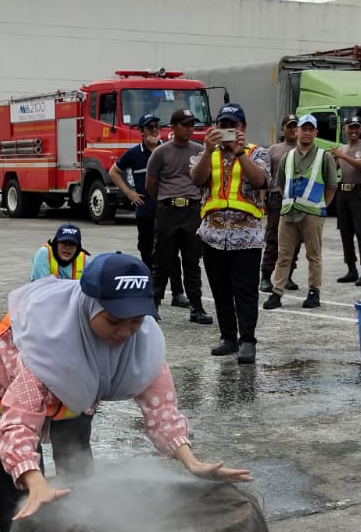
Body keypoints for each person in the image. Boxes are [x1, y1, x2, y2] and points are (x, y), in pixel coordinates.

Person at [0, 251, 251, 532]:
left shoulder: (143, 343)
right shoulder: (46, 347)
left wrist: (192, 462)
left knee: (76, 461)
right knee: (18, 488)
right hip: (7, 387)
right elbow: (18, 424)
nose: (125, 332)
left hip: (77, 393)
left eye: (136, 320)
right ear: (91, 306)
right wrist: (35, 480)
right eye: (114, 320)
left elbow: (161, 411)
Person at [191, 103, 267, 363]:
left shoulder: (257, 153)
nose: (227, 130)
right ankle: (228, 337)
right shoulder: (207, 154)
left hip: (246, 237)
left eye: (233, 126)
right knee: (220, 290)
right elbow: (196, 179)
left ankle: (247, 340)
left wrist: (240, 154)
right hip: (212, 236)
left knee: (245, 291)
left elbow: (260, 181)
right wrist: (206, 150)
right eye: (223, 125)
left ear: (243, 128)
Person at [146, 108, 212, 327]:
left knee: (192, 261)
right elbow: (151, 184)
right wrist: (166, 200)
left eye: (192, 124)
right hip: (168, 210)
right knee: (161, 260)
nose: (190, 128)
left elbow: (205, 180)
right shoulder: (161, 152)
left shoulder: (200, 150)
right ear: (173, 127)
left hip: (192, 211)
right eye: (185, 124)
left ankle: (196, 307)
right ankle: (153, 306)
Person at [264, 114, 336, 311]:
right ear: (297, 131)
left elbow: (331, 186)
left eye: (310, 129)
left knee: (313, 254)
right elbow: (279, 184)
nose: (306, 132)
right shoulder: (287, 157)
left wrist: (321, 206)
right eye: (303, 129)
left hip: (312, 213)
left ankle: (314, 292)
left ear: (315, 132)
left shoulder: (324, 156)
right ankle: (277, 292)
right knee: (283, 254)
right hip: (288, 212)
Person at [113, 113, 185, 307]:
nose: (154, 129)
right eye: (149, 127)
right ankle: (149, 292)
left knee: (172, 252)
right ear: (141, 132)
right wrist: (130, 194)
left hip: (168, 210)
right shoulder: (134, 154)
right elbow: (114, 172)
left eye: (156, 126)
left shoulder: (168, 149)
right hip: (146, 212)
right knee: (147, 252)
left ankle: (178, 293)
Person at [260, 114, 301, 292]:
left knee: (295, 240)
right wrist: (262, 197)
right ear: (283, 129)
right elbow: (265, 176)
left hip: (298, 199)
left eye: (296, 126)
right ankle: (266, 276)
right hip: (277, 198)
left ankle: (287, 276)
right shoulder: (274, 150)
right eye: (289, 126)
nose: (293, 129)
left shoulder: (305, 149)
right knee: (273, 238)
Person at [332, 117, 361, 286]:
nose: (354, 131)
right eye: (351, 127)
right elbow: (331, 169)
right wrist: (330, 159)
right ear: (344, 129)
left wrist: (343, 156)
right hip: (343, 191)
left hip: (359, 192)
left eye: (357, 127)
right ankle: (351, 268)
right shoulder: (341, 149)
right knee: (345, 232)